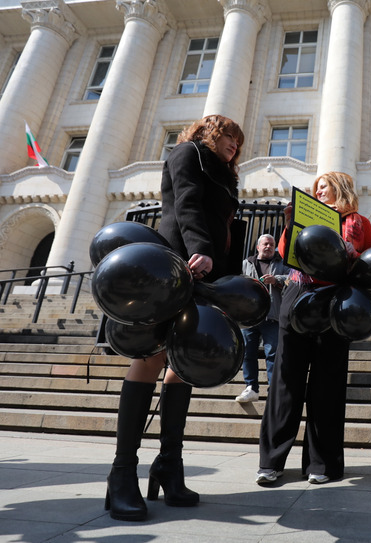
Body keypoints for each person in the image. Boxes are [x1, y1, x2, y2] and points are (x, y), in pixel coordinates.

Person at [105, 114, 245, 521]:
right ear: (209, 133)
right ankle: (122, 473)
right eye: (228, 136)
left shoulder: (226, 175)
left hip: (206, 271)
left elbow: (228, 228)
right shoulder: (188, 153)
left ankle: (169, 464)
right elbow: (186, 202)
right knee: (149, 357)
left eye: (238, 140)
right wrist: (200, 249)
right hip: (176, 264)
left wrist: (226, 276)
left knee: (181, 364)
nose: (234, 144)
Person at [257, 171, 371, 485]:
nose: (319, 192)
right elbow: (285, 254)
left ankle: (322, 465)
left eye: (325, 187)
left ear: (341, 189)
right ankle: (271, 462)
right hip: (297, 297)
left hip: (335, 303)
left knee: (328, 386)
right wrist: (290, 225)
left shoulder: (358, 222)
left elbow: (367, 264)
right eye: (316, 188)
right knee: (285, 382)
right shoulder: (305, 215)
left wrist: (350, 253)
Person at [236, 234, 290, 403]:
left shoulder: (281, 264)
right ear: (258, 247)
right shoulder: (246, 263)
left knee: (273, 353)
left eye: (271, 244)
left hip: (271, 316)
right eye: (265, 244)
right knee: (247, 353)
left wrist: (276, 280)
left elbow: (292, 280)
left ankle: (273, 389)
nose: (268, 247)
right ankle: (251, 387)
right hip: (249, 316)